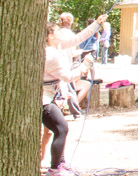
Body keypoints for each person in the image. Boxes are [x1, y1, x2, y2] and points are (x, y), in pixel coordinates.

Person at [41, 14, 105, 175]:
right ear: (50, 36)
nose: (61, 33)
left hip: (51, 97)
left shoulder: (57, 47)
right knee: (61, 129)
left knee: (59, 129)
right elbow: (68, 77)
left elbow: (78, 38)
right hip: (44, 101)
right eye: (57, 31)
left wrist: (97, 24)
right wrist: (85, 65)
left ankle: (60, 163)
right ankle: (55, 169)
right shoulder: (51, 55)